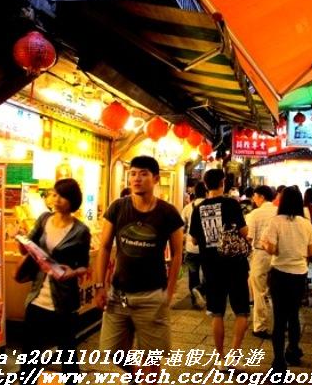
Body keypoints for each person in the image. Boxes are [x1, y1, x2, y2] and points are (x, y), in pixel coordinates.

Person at [95, 156, 184, 379]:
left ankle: (145, 378)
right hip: (119, 295)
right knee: (112, 352)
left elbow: (177, 254)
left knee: (152, 360)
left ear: (156, 179)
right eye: (133, 173)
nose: (136, 178)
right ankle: (137, 375)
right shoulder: (118, 207)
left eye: (143, 174)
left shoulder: (168, 212)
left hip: (152, 295)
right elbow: (104, 247)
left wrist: (170, 291)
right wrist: (99, 286)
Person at [18, 178, 91, 382]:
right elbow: (27, 247)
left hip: (64, 300)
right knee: (30, 353)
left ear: (72, 200)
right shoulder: (43, 219)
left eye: (62, 196)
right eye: (54, 194)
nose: (56, 199)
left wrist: (72, 272)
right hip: (37, 296)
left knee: (67, 353)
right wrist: (21, 239)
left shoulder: (81, 231)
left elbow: (85, 266)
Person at [190, 168, 250, 365]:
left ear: (205, 185)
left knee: (217, 313)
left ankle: (221, 359)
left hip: (211, 267)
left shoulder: (198, 208)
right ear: (223, 183)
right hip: (235, 264)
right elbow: (244, 232)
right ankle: (234, 356)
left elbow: (194, 240)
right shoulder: (232, 204)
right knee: (241, 311)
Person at [262, 186, 312, 371]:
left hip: (279, 273)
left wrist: (265, 245)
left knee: (279, 319)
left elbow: (272, 249)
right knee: (294, 315)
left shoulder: (276, 221)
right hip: (299, 274)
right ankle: (293, 350)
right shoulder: (306, 223)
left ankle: (279, 363)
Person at [246, 185, 277, 339]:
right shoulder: (279, 211)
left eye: (255, 196)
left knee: (259, 291)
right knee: (275, 292)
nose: (254, 199)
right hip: (277, 255)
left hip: (260, 254)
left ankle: (260, 327)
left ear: (262, 197)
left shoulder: (255, 214)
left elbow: (249, 237)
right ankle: (280, 324)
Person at [180, 181, 207, 309]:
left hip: (191, 247)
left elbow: (181, 226)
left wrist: (183, 239)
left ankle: (195, 302)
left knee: (193, 275)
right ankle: (204, 294)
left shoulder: (188, 207)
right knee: (208, 274)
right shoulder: (210, 206)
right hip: (207, 248)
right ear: (206, 192)